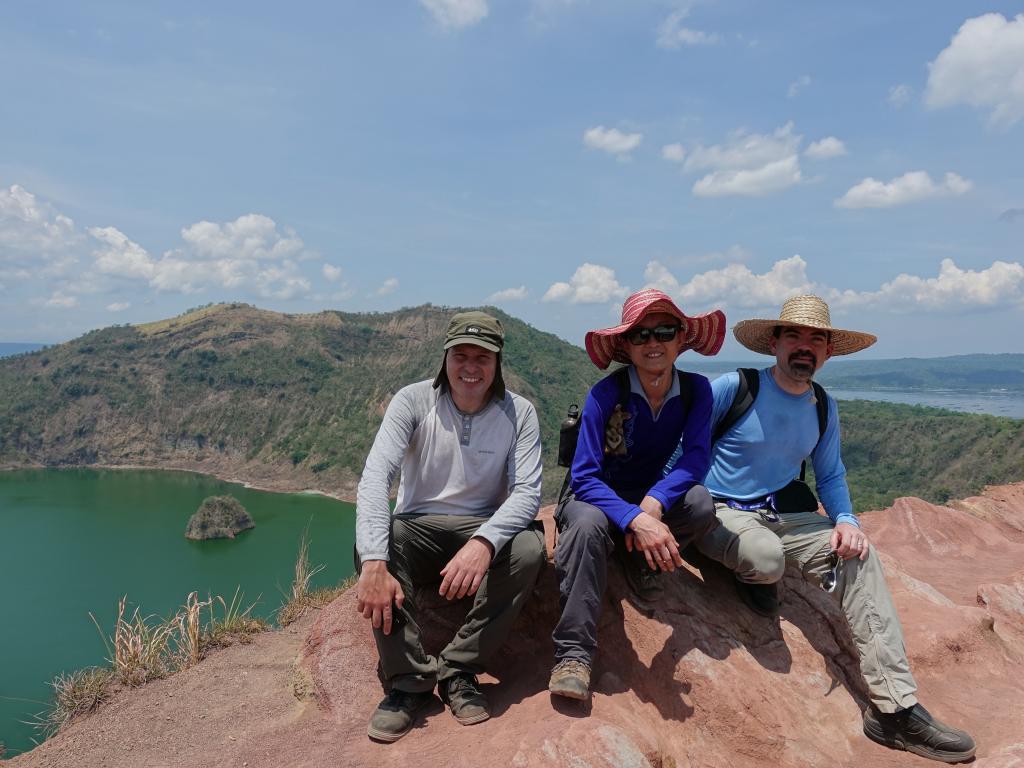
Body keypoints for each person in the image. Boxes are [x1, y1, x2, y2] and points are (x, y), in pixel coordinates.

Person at [698, 295, 975, 763]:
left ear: (828, 352)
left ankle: (894, 711)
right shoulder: (735, 386)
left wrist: (846, 520)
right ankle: (749, 573)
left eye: (816, 339)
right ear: (775, 343)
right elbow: (683, 449)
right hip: (720, 508)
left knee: (859, 557)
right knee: (766, 559)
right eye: (795, 336)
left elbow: (830, 475)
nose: (805, 347)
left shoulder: (823, 405)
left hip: (787, 515)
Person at [353, 310, 545, 742]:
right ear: (445, 358)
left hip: (480, 524)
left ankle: (459, 670)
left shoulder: (520, 413)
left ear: (498, 364)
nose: (471, 367)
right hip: (417, 526)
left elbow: (527, 493)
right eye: (461, 355)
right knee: (380, 543)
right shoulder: (413, 400)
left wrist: (484, 542)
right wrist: (373, 560)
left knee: (530, 549)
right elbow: (375, 478)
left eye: (483, 357)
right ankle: (408, 681)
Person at [548, 288, 725, 701]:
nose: (653, 343)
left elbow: (697, 458)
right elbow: (585, 475)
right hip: (595, 498)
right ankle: (573, 655)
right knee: (588, 526)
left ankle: (638, 558)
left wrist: (656, 501)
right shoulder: (606, 395)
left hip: (646, 496)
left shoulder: (697, 390)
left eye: (664, 331)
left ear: (682, 339)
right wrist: (636, 518)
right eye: (641, 335)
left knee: (700, 504)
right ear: (626, 345)